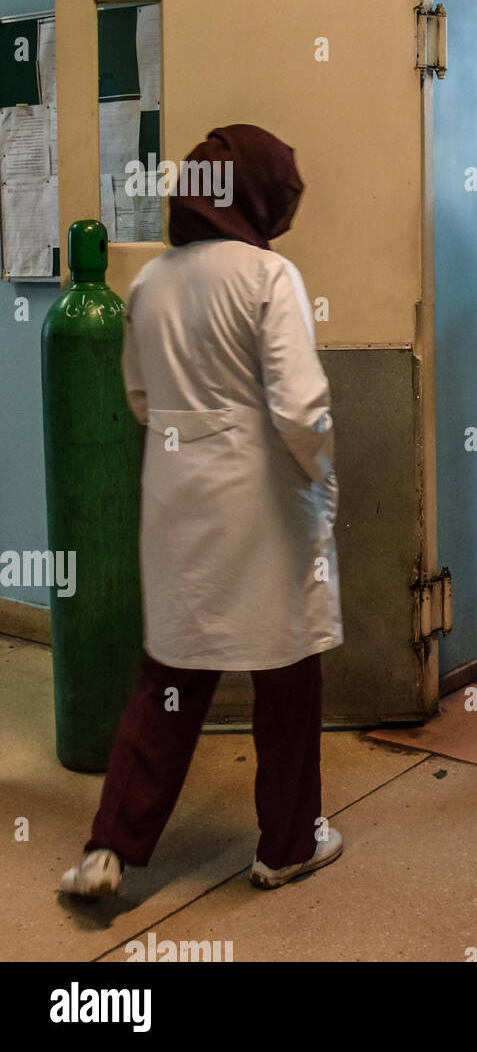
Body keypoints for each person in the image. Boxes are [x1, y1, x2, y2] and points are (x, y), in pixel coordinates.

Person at [59, 123, 343, 899]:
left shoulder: (150, 282)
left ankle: (107, 851)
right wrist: (324, 475)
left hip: (178, 503)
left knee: (170, 681)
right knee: (286, 680)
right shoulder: (267, 276)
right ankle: (287, 845)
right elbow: (299, 408)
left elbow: (144, 400)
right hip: (265, 512)